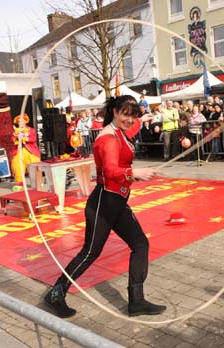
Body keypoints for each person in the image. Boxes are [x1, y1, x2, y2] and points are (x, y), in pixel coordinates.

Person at [43, 95, 166, 318]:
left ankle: (136, 301)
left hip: (118, 202)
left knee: (140, 245)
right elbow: (110, 171)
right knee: (90, 252)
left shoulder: (119, 132)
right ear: (115, 112)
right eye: (126, 114)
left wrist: (143, 120)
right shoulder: (108, 138)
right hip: (104, 203)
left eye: (133, 115)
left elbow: (129, 133)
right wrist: (135, 173)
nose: (130, 119)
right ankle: (56, 294)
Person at [10, 114, 41, 187]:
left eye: (21, 121)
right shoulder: (15, 131)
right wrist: (16, 137)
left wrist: (24, 138)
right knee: (17, 167)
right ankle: (19, 184)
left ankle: (37, 183)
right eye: (19, 121)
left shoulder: (31, 130)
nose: (20, 123)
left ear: (25, 121)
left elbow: (33, 139)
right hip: (19, 152)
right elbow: (12, 140)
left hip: (31, 152)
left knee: (34, 167)